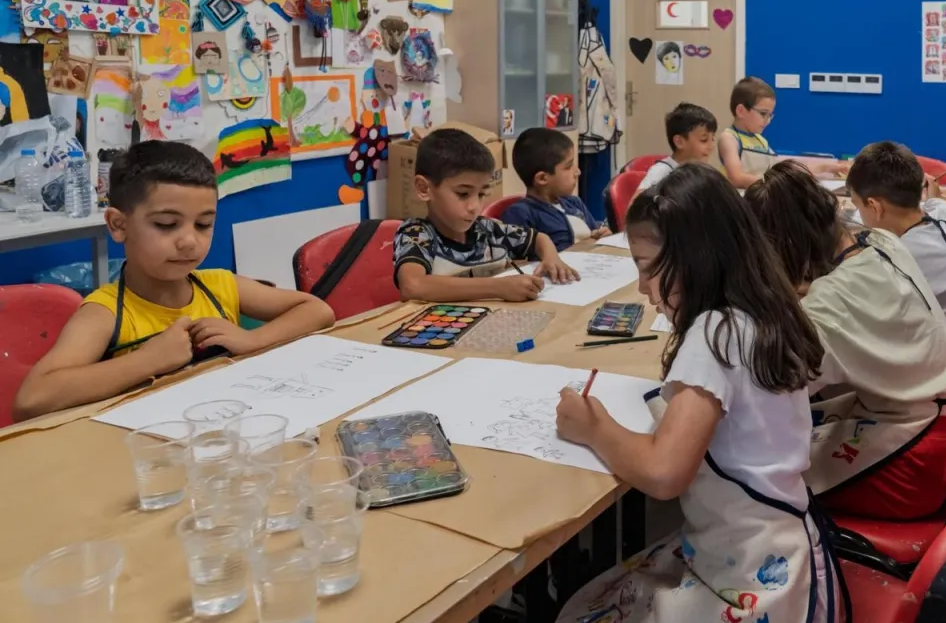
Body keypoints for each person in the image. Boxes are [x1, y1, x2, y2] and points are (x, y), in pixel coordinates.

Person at [544, 163, 842, 623]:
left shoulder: (714, 334)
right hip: (785, 551)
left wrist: (594, 427)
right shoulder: (763, 308)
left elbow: (664, 473)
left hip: (754, 585)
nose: (642, 287)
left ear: (697, 259)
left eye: (647, 267)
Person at [13, 142, 335, 421]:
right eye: (167, 224)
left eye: (203, 224)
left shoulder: (221, 285)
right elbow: (31, 400)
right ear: (119, 225)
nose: (189, 242)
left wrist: (252, 339)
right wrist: (147, 361)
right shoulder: (105, 313)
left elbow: (318, 311)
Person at [744, 162, 946, 520]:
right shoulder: (880, 241)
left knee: (755, 479)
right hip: (941, 416)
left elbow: (773, 384)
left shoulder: (828, 304)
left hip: (915, 460)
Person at [847, 142, 946, 395]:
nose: (858, 212)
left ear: (875, 207)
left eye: (858, 205)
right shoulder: (942, 211)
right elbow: (933, 202)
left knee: (850, 358)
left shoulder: (902, 256)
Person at [394, 129, 578, 303]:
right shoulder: (416, 234)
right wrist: (498, 287)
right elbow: (412, 285)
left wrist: (551, 258)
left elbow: (539, 238)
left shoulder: (488, 230)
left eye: (481, 194)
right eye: (463, 194)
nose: (475, 207)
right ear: (424, 188)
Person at [717, 76, 849, 188]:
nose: (768, 121)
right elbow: (737, 178)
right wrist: (777, 182)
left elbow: (785, 168)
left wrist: (824, 167)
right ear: (741, 111)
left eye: (770, 115)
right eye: (763, 114)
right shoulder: (729, 138)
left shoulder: (761, 141)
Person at [502, 127, 609, 251]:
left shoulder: (574, 203)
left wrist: (602, 234)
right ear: (542, 178)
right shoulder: (520, 215)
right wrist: (588, 242)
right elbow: (520, 259)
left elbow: (595, 234)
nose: (578, 172)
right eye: (568, 166)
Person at [638, 102, 717, 191]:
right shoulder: (661, 172)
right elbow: (638, 200)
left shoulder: (702, 171)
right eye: (704, 140)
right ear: (679, 142)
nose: (711, 146)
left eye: (713, 139)